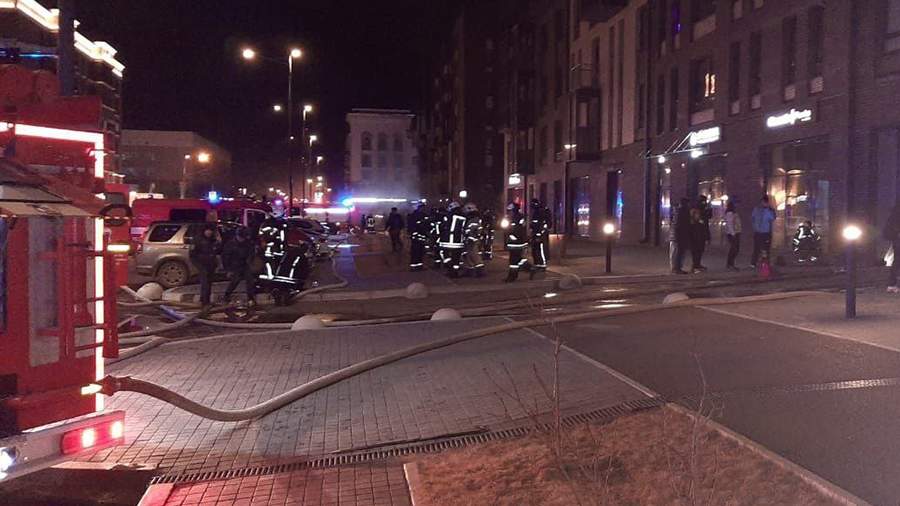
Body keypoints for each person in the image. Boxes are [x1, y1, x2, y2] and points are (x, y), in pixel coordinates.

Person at [221, 227, 257, 305]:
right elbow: (225, 257)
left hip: (244, 264)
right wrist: (228, 270)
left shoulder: (247, 243)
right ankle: (226, 296)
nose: (242, 240)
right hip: (234, 265)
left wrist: (249, 260)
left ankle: (251, 298)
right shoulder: (230, 244)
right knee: (235, 280)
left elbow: (251, 253)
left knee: (250, 280)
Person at [189, 224, 221, 309]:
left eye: (211, 231)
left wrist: (219, 243)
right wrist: (198, 265)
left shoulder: (213, 240)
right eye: (208, 230)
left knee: (209, 283)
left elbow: (217, 251)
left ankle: (206, 300)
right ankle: (204, 302)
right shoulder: (197, 240)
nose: (209, 232)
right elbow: (192, 255)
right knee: (205, 282)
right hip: (202, 264)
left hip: (211, 264)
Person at [438, 201, 467, 277]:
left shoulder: (448, 216)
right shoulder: (463, 216)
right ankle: (455, 272)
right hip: (458, 240)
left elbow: (442, 227)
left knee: (444, 254)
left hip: (447, 240)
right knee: (456, 257)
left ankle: (450, 268)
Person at [504, 202, 529, 282]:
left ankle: (512, 276)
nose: (509, 212)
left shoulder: (519, 218)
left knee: (513, 260)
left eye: (510, 210)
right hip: (513, 243)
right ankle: (528, 268)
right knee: (517, 259)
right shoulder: (510, 218)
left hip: (518, 243)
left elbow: (520, 230)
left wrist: (513, 236)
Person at [751, 196, 776, 268]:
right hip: (759, 232)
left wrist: (769, 210)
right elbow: (753, 218)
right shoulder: (757, 210)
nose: (763, 204)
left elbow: (772, 218)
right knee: (758, 248)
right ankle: (755, 263)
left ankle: (764, 263)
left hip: (764, 232)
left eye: (764, 202)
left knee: (764, 249)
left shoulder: (768, 211)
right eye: (762, 202)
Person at [529, 199, 552, 279]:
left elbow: (544, 225)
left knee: (541, 249)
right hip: (535, 234)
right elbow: (534, 224)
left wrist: (540, 234)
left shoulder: (541, 212)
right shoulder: (535, 212)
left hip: (541, 235)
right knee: (535, 250)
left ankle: (542, 265)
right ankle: (537, 264)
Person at [462, 203, 486, 277]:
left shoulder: (474, 219)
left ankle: (480, 271)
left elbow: (475, 230)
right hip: (470, 239)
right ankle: (469, 270)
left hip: (473, 240)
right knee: (469, 255)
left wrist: (471, 238)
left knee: (474, 255)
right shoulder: (472, 218)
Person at [670, 198, 692, 274]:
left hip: (677, 235)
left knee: (677, 252)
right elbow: (683, 224)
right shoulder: (683, 211)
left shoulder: (677, 211)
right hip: (680, 235)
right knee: (679, 252)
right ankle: (677, 268)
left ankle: (676, 268)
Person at [884, 204, 900, 293]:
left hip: (897, 238)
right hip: (897, 238)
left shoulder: (896, 211)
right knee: (897, 260)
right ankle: (892, 284)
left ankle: (892, 284)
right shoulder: (897, 212)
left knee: (897, 260)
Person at [408, 204, 428, 271]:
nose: (424, 209)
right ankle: (414, 266)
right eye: (423, 208)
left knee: (420, 252)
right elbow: (419, 226)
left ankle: (419, 266)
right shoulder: (416, 216)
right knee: (416, 251)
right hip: (417, 236)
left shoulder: (418, 215)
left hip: (419, 236)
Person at [689, 204, 708, 274]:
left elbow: (703, 230)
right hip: (695, 241)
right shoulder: (692, 223)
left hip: (700, 240)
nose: (698, 215)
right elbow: (692, 233)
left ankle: (697, 265)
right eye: (697, 214)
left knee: (699, 253)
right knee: (695, 254)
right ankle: (695, 267)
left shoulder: (699, 222)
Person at [724, 201, 742, 271]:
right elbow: (730, 224)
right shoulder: (730, 214)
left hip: (735, 232)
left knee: (735, 249)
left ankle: (730, 263)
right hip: (733, 233)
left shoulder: (733, 213)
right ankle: (730, 264)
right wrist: (733, 233)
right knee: (734, 249)